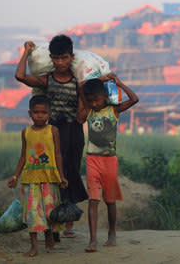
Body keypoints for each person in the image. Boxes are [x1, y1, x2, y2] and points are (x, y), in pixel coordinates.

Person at [15, 35, 88, 238]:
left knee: (71, 172)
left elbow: (82, 116)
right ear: (51, 58)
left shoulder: (78, 82)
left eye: (64, 58)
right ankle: (53, 221)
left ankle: (68, 222)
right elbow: (20, 76)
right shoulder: (47, 79)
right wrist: (26, 52)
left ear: (71, 57)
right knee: (53, 173)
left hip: (73, 132)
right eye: (55, 58)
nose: (60, 62)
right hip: (51, 133)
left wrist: (85, 99)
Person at [80, 74, 139, 252]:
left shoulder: (114, 110)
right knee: (93, 199)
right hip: (92, 159)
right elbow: (80, 88)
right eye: (90, 101)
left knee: (110, 201)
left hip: (109, 161)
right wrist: (101, 79)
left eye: (97, 100)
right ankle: (92, 240)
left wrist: (117, 83)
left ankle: (112, 233)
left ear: (105, 96)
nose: (94, 104)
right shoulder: (88, 111)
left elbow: (134, 99)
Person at [7, 95, 69, 257]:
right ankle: (34, 246)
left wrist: (62, 176)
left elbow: (57, 154)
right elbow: (23, 156)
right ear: (30, 113)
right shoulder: (26, 132)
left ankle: (49, 237)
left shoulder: (53, 130)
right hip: (30, 179)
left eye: (43, 112)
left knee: (49, 212)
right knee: (32, 212)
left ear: (49, 113)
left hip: (50, 177)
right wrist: (15, 176)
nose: (40, 115)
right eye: (36, 112)